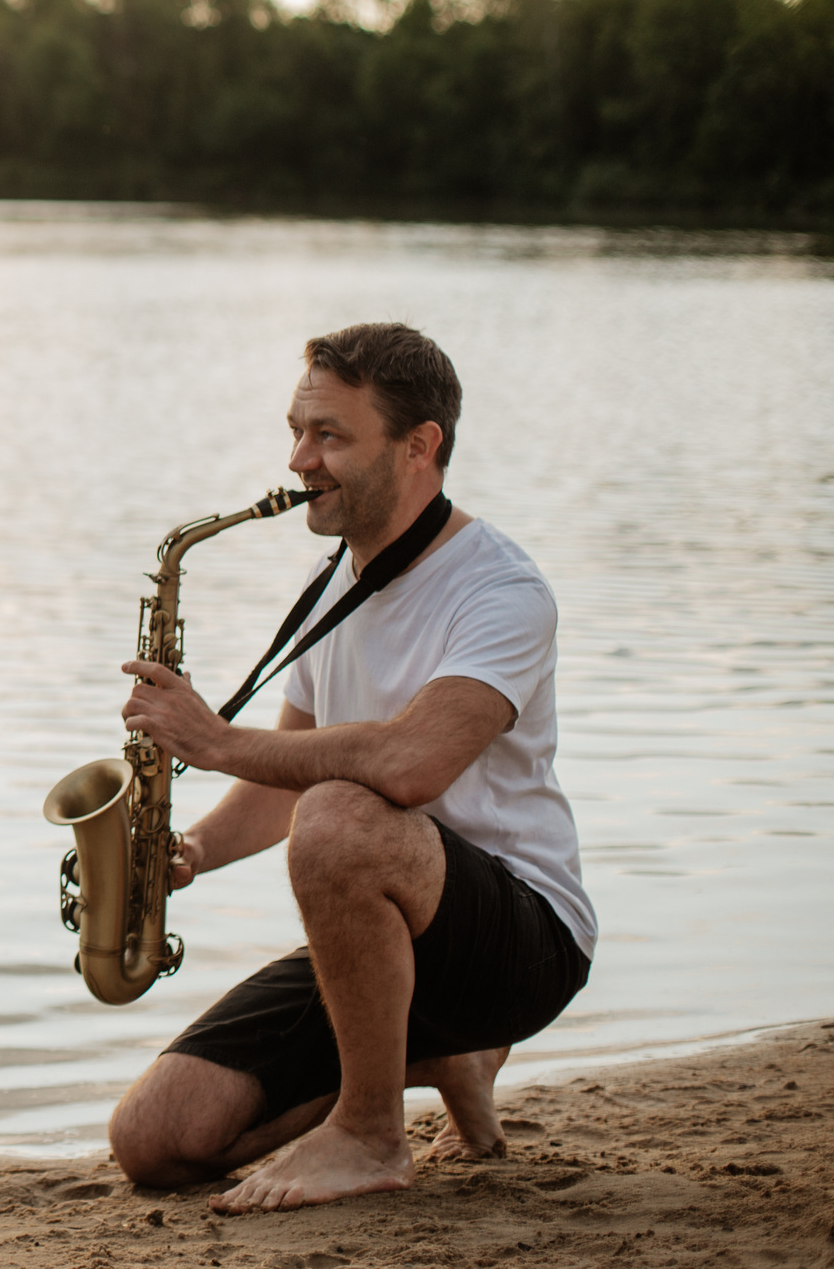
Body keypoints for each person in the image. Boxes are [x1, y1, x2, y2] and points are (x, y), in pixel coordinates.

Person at [106, 322, 594, 1214]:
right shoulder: (333, 581)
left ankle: (370, 1130)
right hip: (381, 938)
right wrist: (192, 851)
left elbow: (410, 764)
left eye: (329, 435)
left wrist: (214, 740)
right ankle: (442, 1055)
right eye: (297, 431)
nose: (299, 460)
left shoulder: (501, 591)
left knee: (339, 813)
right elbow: (284, 778)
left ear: (419, 446)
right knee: (156, 1138)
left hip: (522, 942)